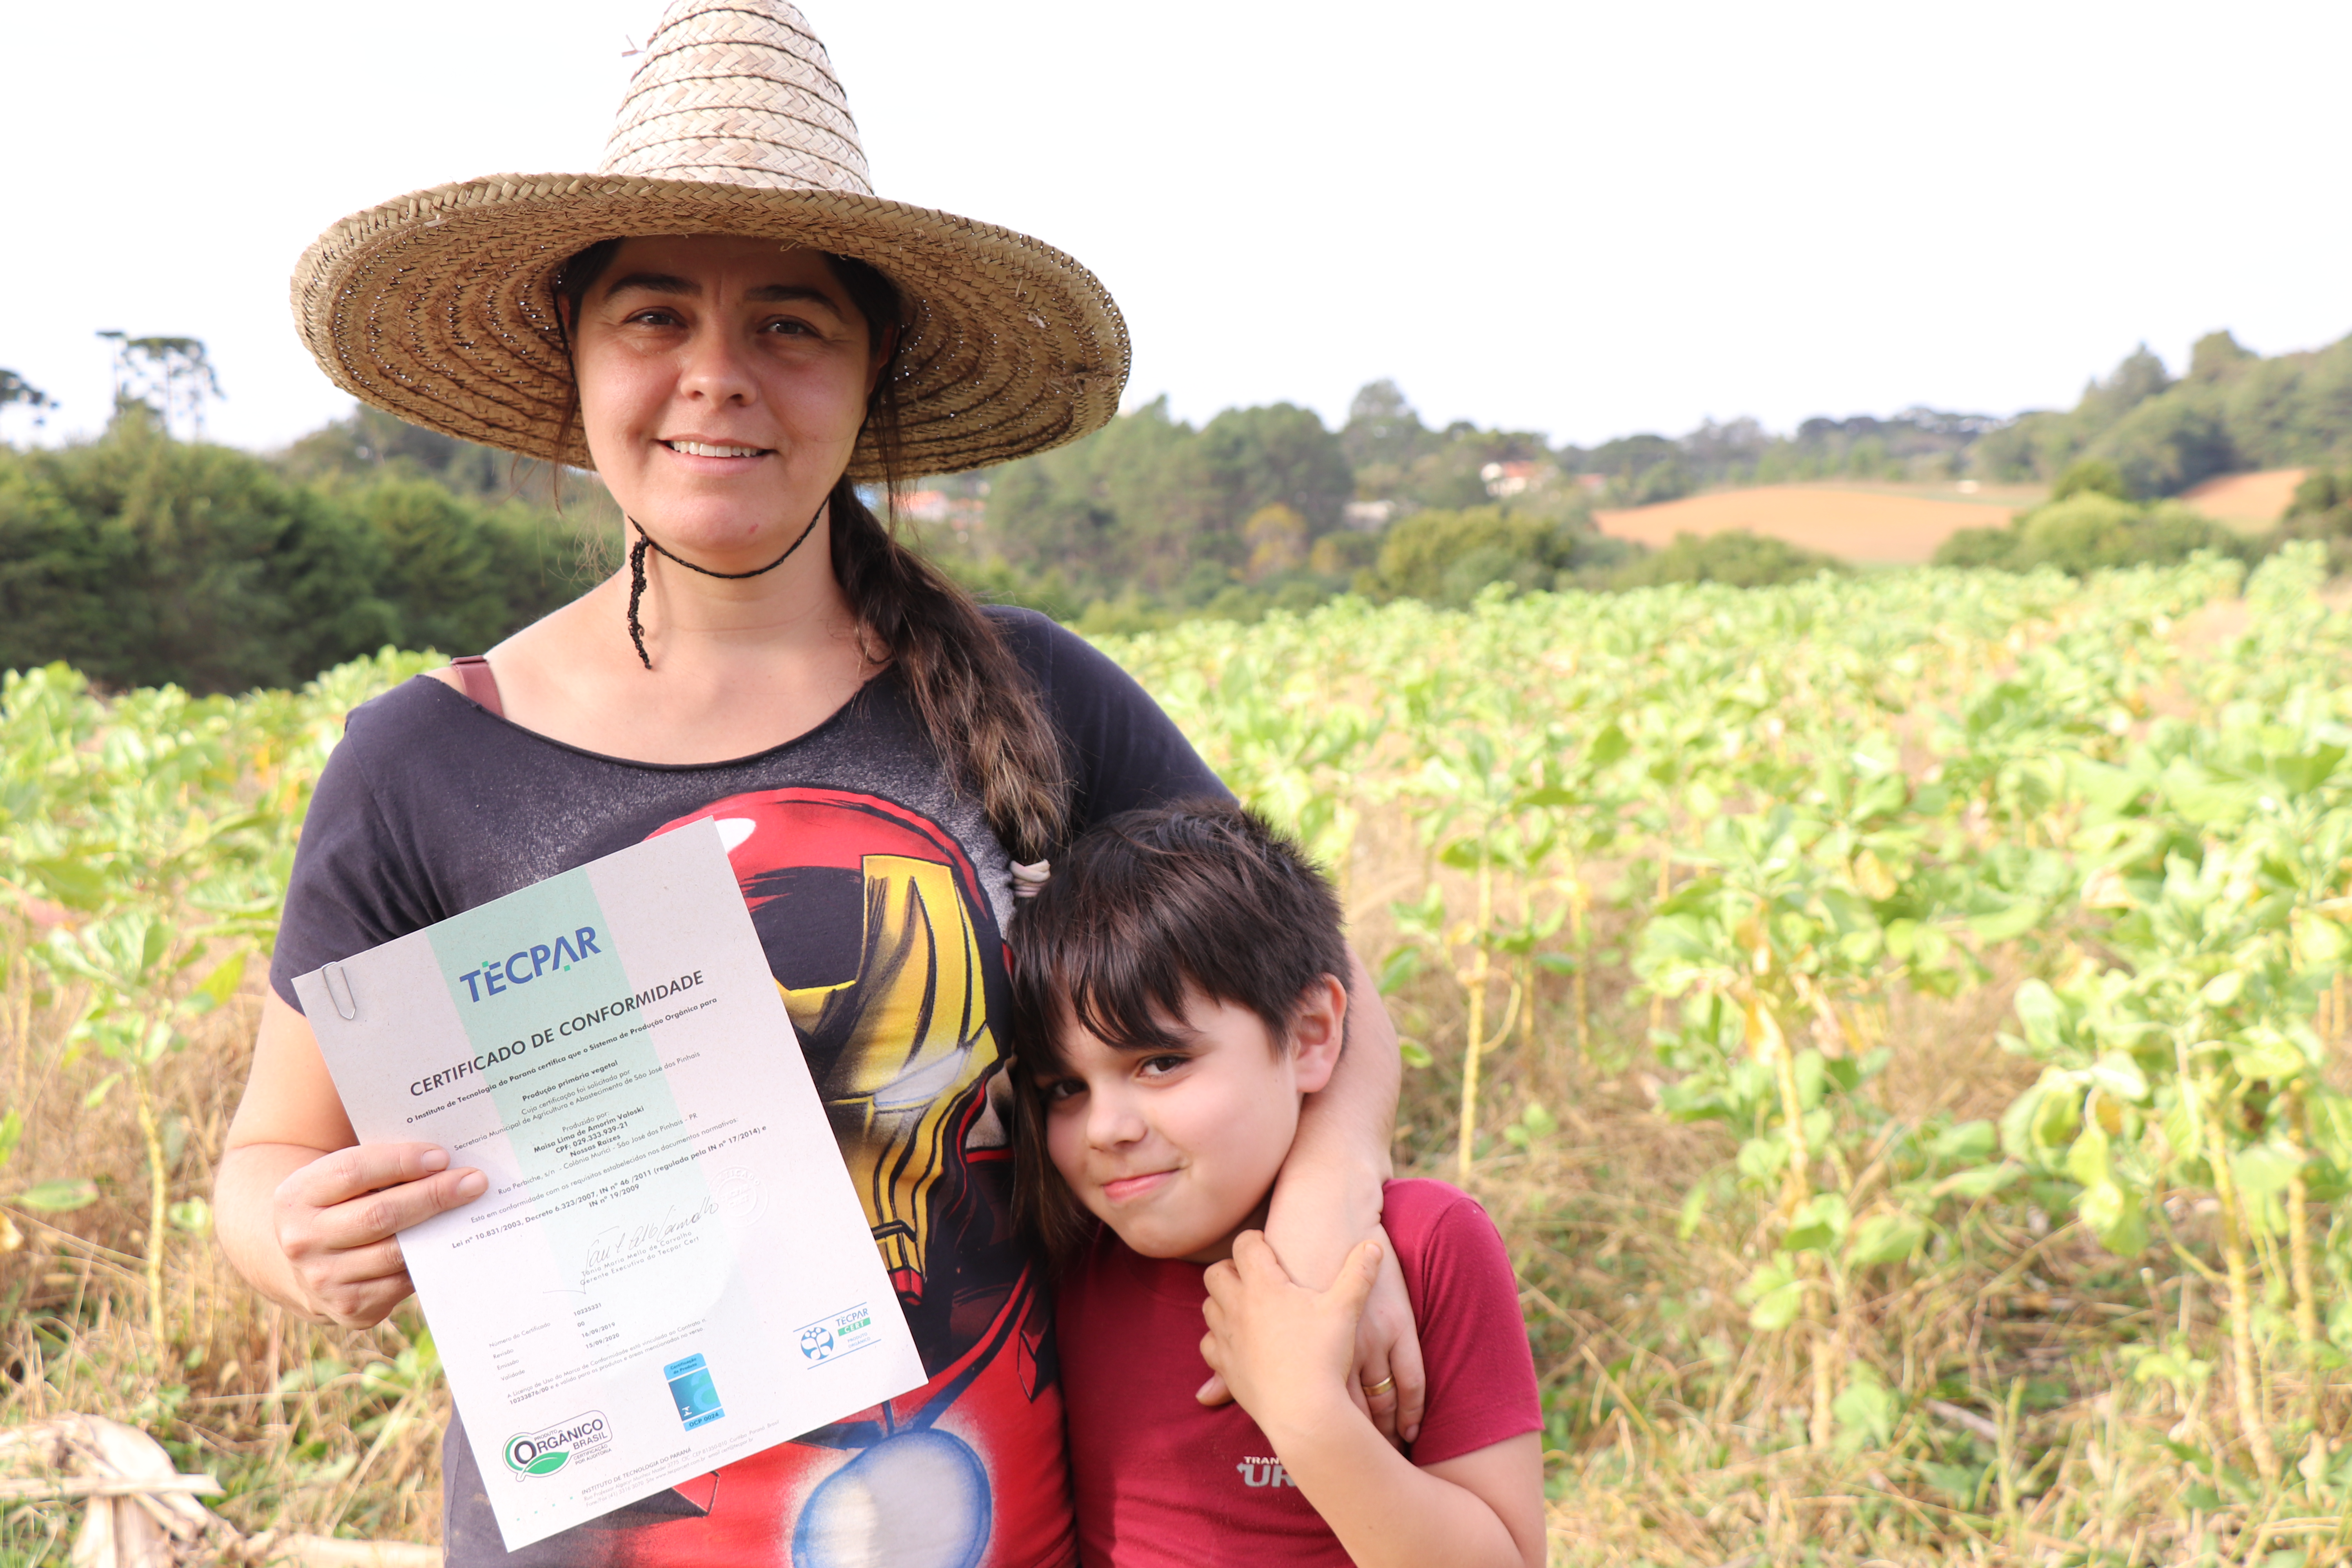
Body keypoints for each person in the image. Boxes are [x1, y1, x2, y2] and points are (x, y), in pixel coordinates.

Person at [211, 4, 1422, 1564]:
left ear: (871, 379)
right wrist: (290, 1236)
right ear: (574, 362)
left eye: (789, 325)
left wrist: (1339, 1204)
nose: (718, 378)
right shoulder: (421, 763)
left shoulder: (1043, 694)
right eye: (654, 318)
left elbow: (1323, 991)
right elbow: (268, 1156)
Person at [1008, 802, 1545, 1568]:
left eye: (1160, 1061)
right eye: (1065, 1086)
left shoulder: (1428, 1245)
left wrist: (1308, 1414)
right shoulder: (1070, 1260)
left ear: (1311, 1034)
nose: (1106, 1128)